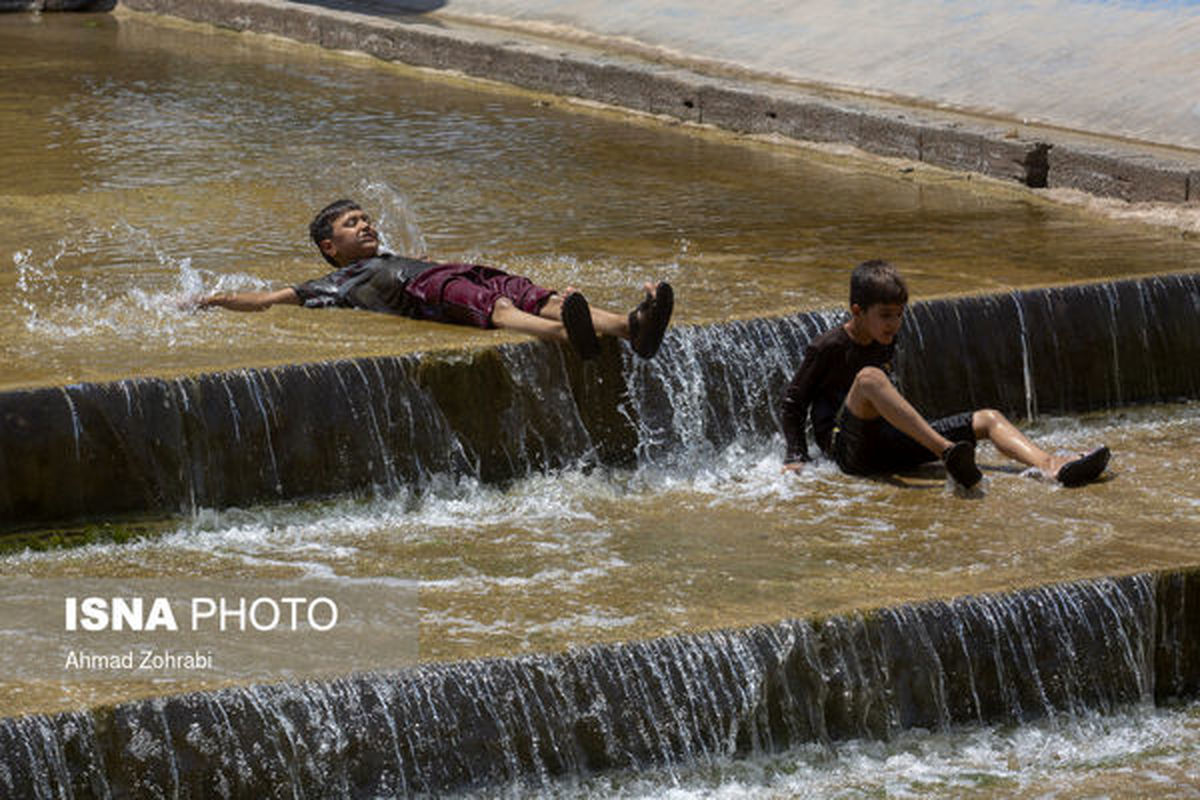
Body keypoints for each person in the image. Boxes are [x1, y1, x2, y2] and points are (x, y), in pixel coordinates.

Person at [194, 199, 674, 360]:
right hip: (431, 290)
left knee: (537, 295)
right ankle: (568, 334)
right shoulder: (336, 283)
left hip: (459, 273)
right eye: (351, 224)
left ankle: (631, 326)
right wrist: (214, 300)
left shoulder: (391, 255)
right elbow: (268, 299)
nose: (365, 225)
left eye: (366, 218)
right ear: (329, 248)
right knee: (501, 313)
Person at [780, 259, 1110, 489]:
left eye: (899, 315)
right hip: (848, 451)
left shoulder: (886, 338)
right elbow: (793, 402)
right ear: (857, 311)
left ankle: (1050, 465)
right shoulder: (827, 346)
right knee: (869, 378)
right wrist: (797, 456)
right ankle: (947, 452)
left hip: (888, 445)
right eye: (885, 315)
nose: (894, 324)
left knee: (988, 418)